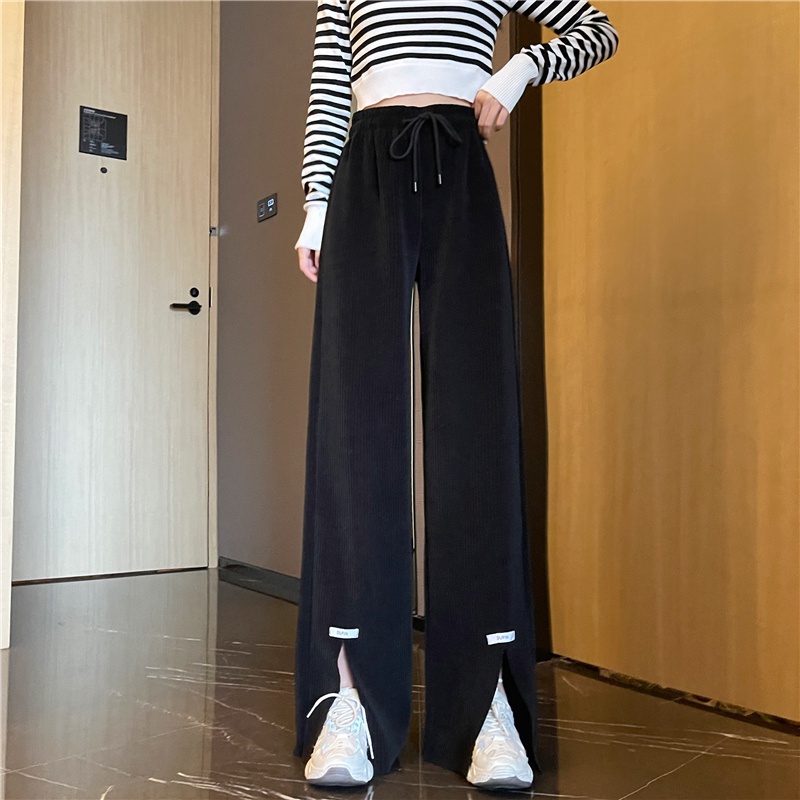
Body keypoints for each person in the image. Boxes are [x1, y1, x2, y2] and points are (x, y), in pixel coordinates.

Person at [292, 0, 619, 790]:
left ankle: (486, 701)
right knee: (356, 430)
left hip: (460, 165)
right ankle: (348, 695)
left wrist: (520, 68)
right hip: (365, 171)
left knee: (476, 429)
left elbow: (597, 29)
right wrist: (315, 207)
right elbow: (331, 86)